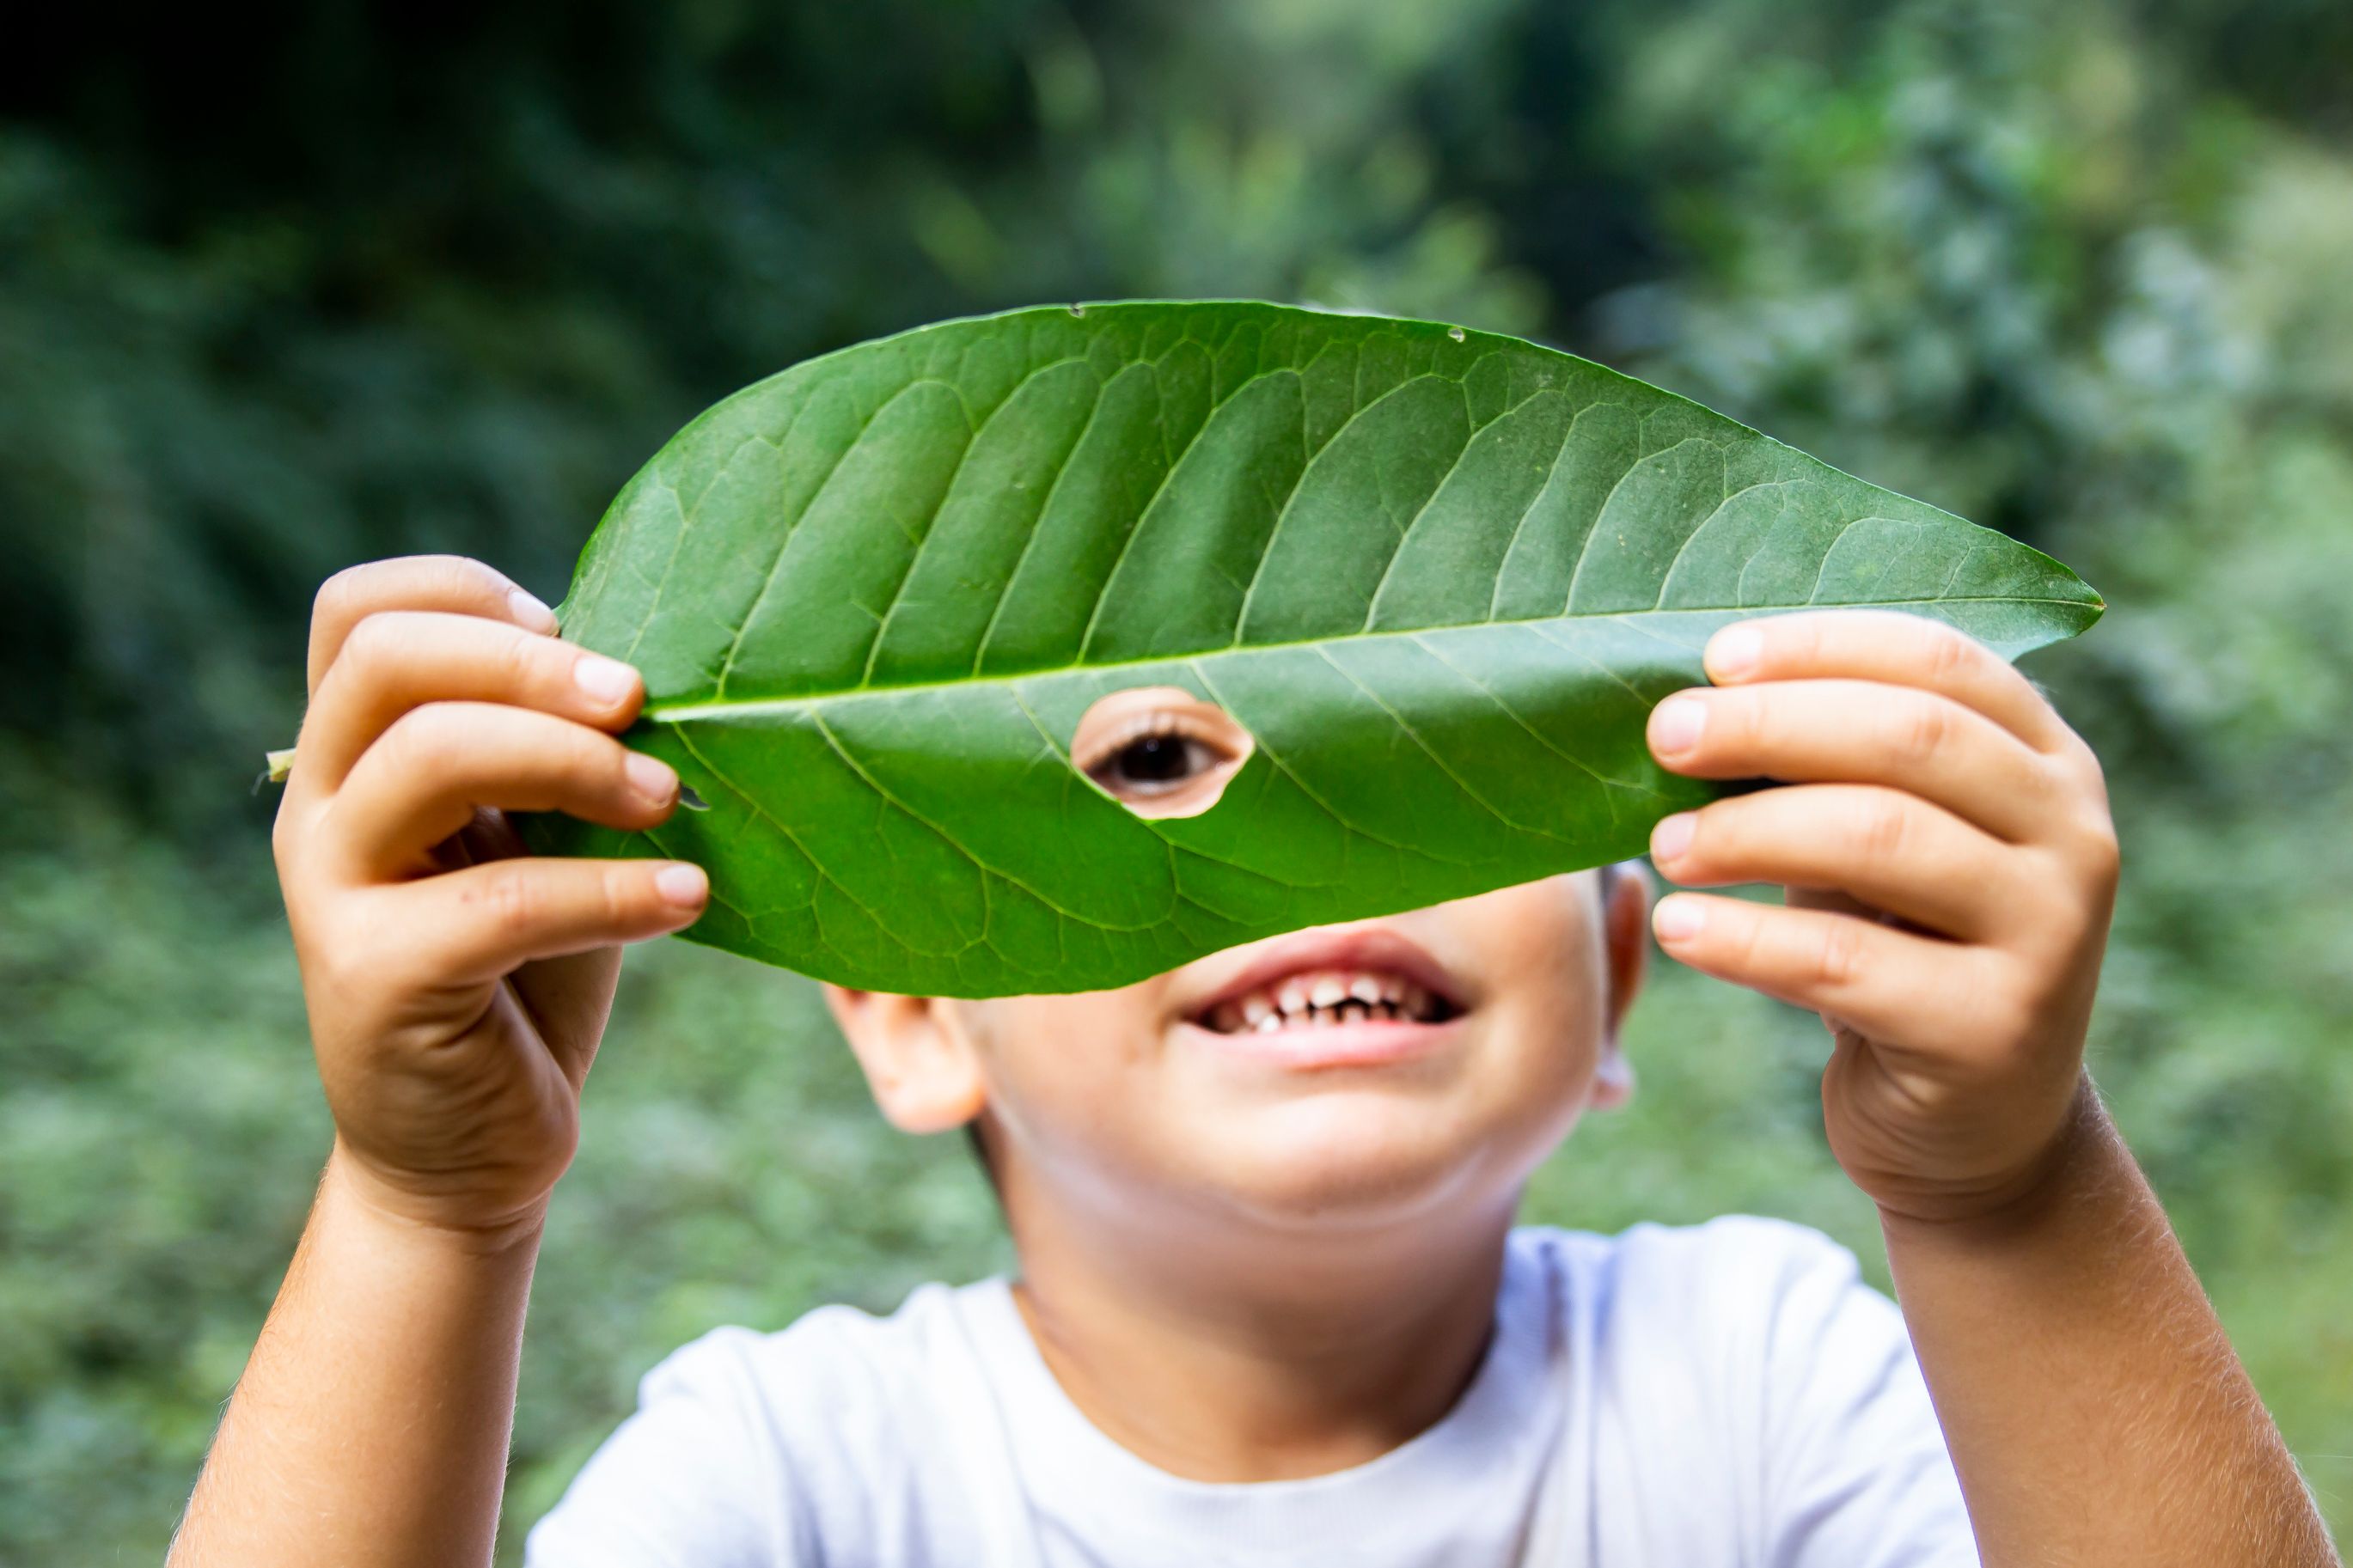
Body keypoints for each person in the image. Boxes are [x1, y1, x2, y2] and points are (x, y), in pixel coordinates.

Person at [168, 554, 2335, 1567]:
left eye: (1426, 789)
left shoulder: (1758, 1382)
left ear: (1624, 973)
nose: (1291, 860)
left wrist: (2007, 1184)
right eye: (1143, 774)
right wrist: (426, 1207)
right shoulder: (798, 1476)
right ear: (910, 1009)